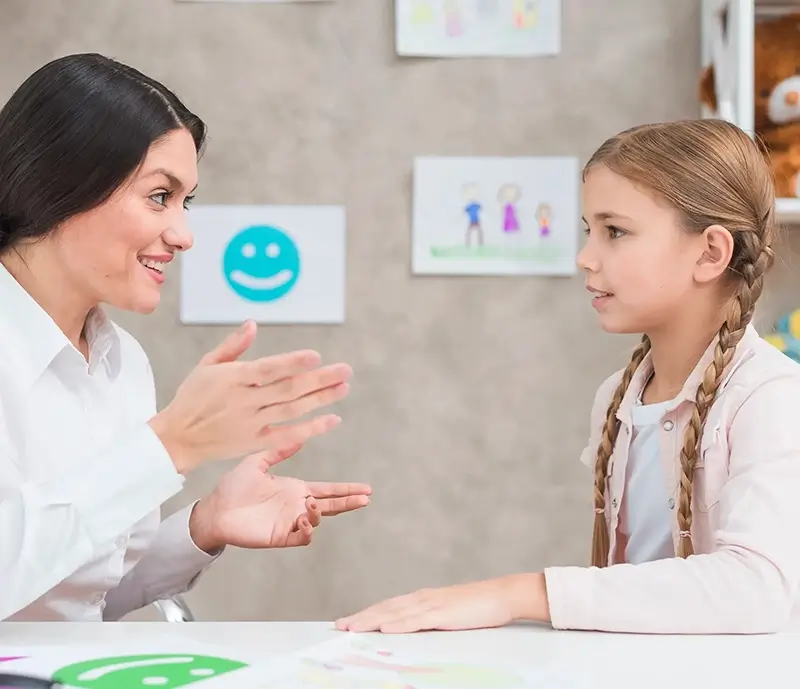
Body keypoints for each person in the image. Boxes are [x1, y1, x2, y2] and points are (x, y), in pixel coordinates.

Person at [336, 118, 800, 635]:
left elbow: (757, 588)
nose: (585, 258)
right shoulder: (618, 397)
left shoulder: (770, 399)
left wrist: (521, 593)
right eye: (588, 231)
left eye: (615, 231)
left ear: (710, 253)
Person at [0, 53, 371, 622]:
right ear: (61, 182)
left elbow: (75, 603)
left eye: (185, 201)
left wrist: (204, 525)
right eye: (158, 196)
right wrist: (169, 446)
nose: (183, 234)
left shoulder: (122, 361)